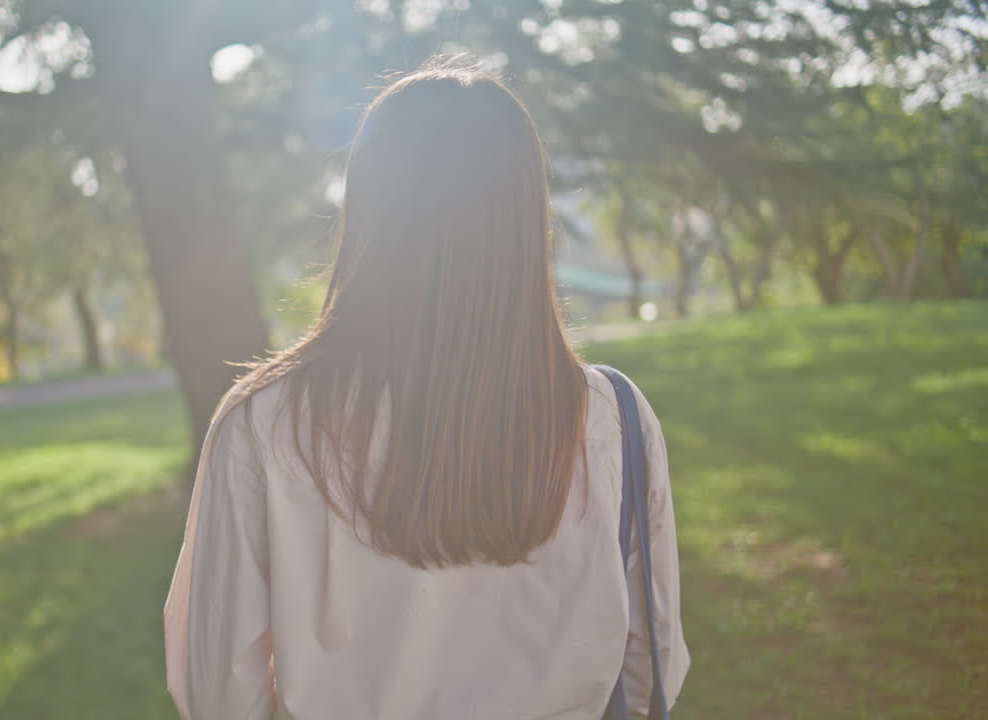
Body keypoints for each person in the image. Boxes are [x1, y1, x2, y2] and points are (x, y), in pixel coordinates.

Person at [163, 57, 689, 720]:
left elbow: (219, 693)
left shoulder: (265, 423)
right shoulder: (612, 419)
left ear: (370, 209)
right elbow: (651, 662)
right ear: (526, 214)